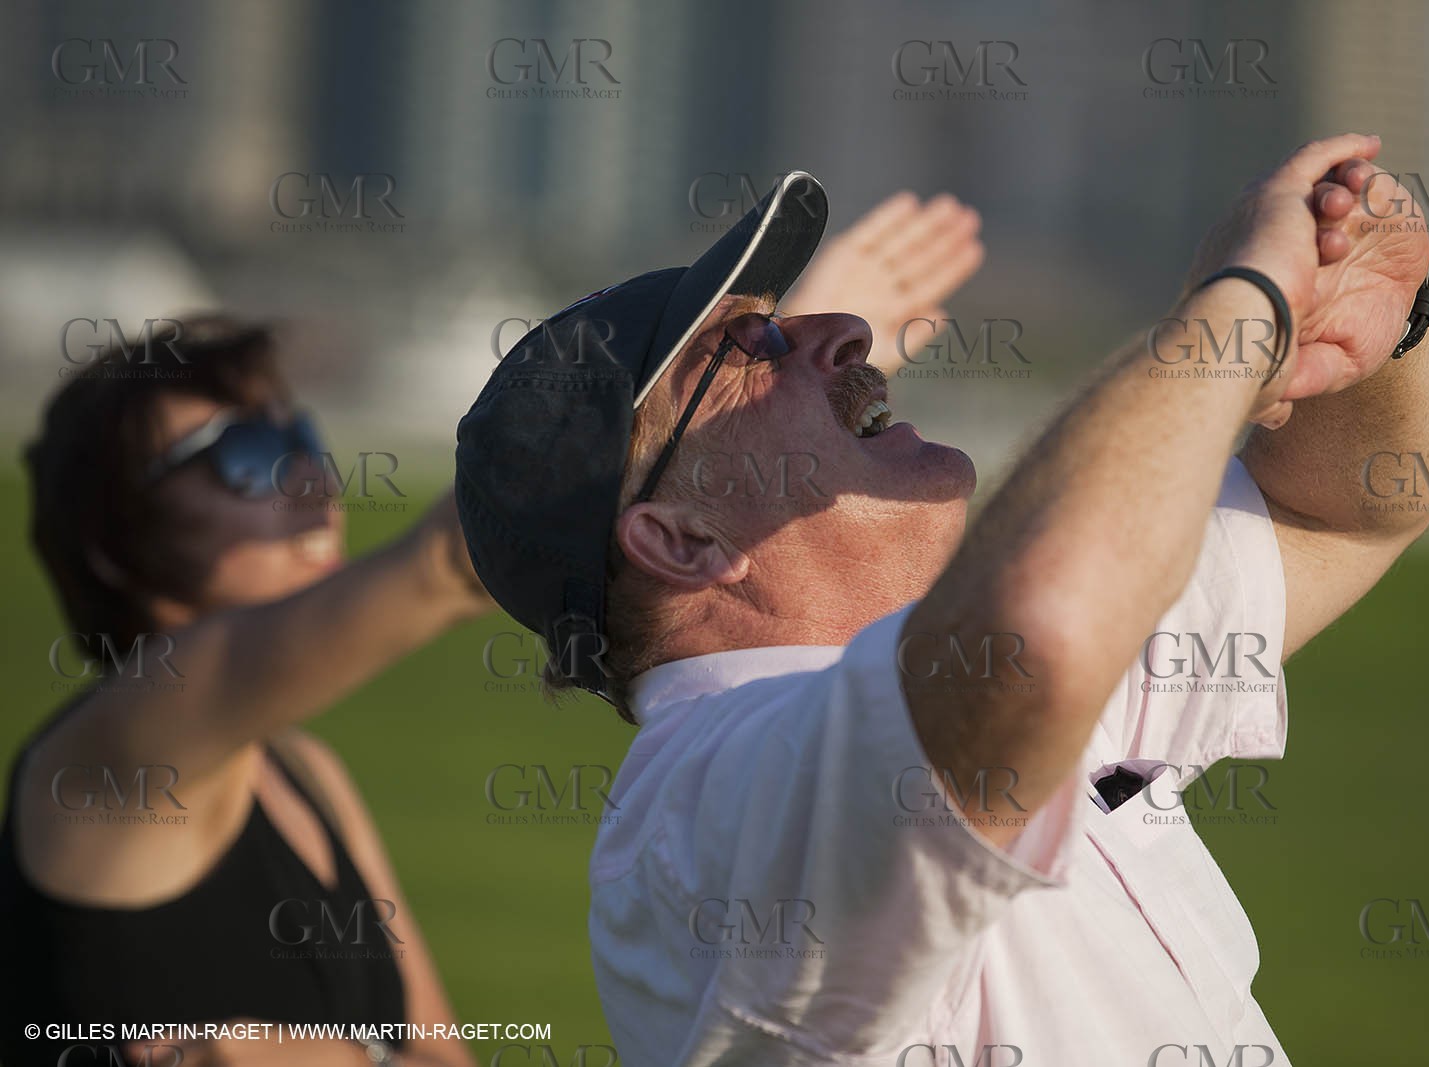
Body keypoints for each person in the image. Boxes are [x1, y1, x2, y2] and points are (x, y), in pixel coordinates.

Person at [452, 134, 1429, 1064]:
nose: (845, 332)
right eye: (750, 347)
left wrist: (1379, 317)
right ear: (677, 537)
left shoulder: (944, 663)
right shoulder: (709, 791)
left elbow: (1340, 508)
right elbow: (1044, 642)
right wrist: (1243, 304)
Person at [0, 192, 986, 1067]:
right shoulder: (101, 765)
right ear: (116, 543)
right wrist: (755, 374)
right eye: (247, 453)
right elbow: (463, 551)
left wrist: (774, 388)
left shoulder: (306, 778)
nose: (311, 477)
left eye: (301, 434)